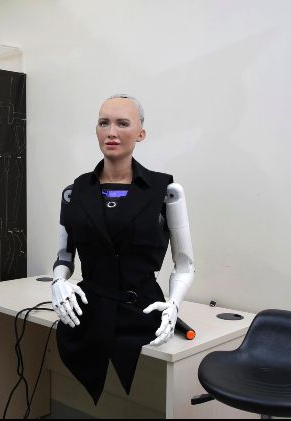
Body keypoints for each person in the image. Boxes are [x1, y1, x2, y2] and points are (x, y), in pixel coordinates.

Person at [50, 94, 196, 404]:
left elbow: (184, 264)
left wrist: (174, 304)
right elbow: (65, 256)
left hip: (144, 312)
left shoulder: (166, 191)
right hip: (85, 313)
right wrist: (58, 281)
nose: (111, 132)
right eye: (104, 123)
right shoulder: (73, 192)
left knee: (149, 398)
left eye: (122, 123)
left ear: (140, 134)